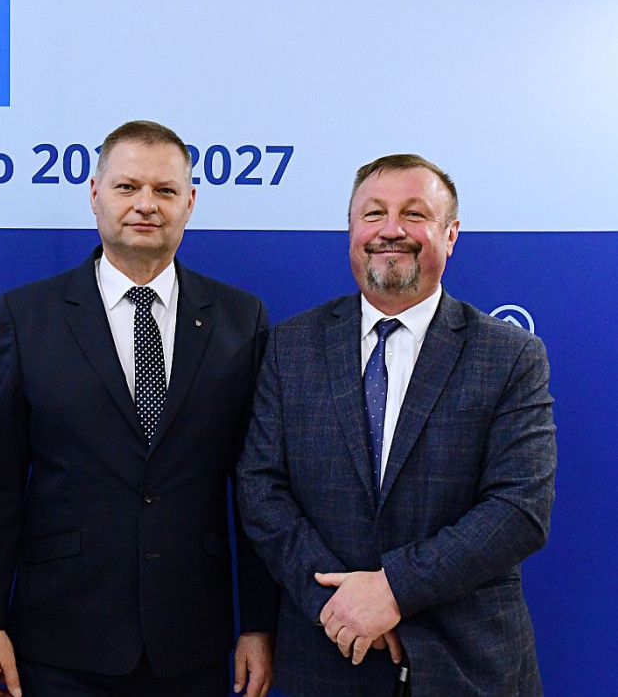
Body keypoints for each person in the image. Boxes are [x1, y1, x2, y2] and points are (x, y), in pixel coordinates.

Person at [0, 120, 277, 697]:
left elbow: (256, 488)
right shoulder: (26, 316)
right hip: (58, 640)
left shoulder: (240, 320)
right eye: (127, 187)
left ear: (190, 203)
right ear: (95, 194)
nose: (145, 205)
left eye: (165, 190)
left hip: (192, 640)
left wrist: (259, 624)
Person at [236, 154, 557, 695]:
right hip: (327, 655)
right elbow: (260, 489)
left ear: (450, 234)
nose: (391, 230)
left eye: (414, 214)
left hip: (469, 664)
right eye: (373, 214)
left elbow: (520, 508)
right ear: (351, 231)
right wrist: (339, 604)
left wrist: (393, 590)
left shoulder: (511, 355)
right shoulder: (290, 347)